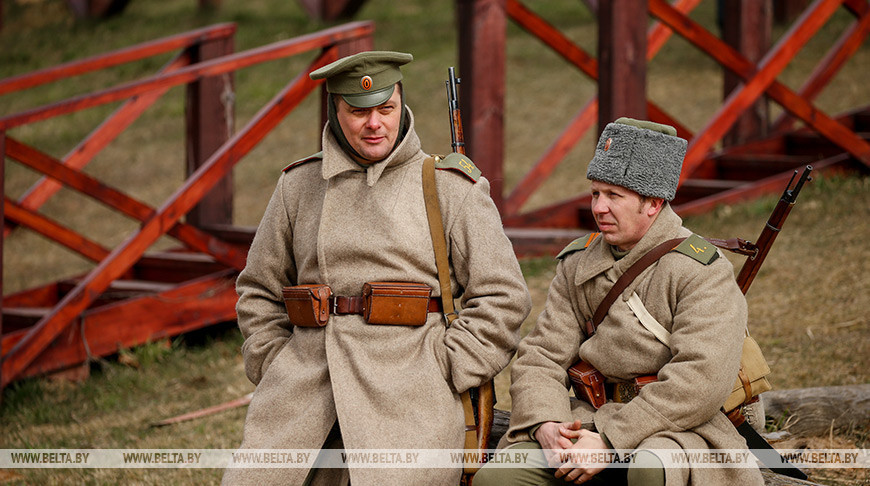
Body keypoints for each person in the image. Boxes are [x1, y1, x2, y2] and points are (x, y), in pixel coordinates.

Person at [222, 51, 532, 486]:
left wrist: (446, 367)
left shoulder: (448, 186)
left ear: (401, 105)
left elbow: (504, 297)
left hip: (410, 393)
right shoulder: (298, 186)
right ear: (336, 111)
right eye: (358, 112)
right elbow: (258, 289)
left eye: (385, 109)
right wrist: (273, 362)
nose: (374, 124)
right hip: (305, 386)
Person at [473, 118, 764, 486]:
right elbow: (541, 356)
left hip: (674, 428)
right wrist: (546, 422)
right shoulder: (579, 262)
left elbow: (699, 380)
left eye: (614, 196)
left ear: (654, 202)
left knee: (650, 468)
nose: (599, 208)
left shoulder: (702, 271)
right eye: (596, 193)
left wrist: (610, 441)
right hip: (588, 418)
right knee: (497, 479)